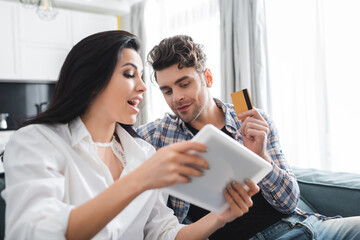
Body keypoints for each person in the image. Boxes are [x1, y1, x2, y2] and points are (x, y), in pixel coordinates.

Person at [1, 30, 260, 240]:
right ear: (91, 81)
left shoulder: (142, 153)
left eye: (142, 76)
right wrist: (139, 180)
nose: (144, 87)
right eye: (128, 74)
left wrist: (220, 216)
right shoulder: (37, 142)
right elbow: (34, 232)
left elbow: (164, 233)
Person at [137, 34, 360, 240]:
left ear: (208, 77)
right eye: (167, 91)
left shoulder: (252, 119)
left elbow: (289, 202)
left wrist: (261, 157)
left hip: (300, 227)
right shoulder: (158, 135)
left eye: (184, 84)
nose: (177, 98)